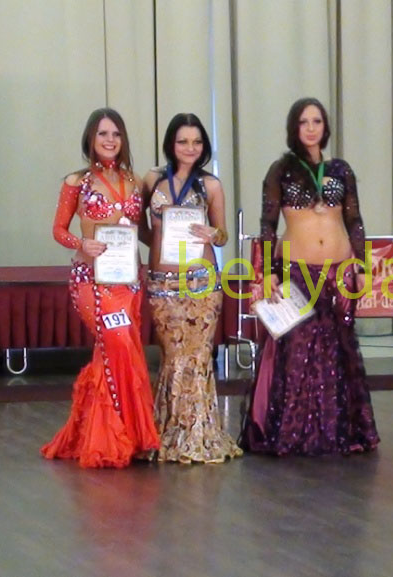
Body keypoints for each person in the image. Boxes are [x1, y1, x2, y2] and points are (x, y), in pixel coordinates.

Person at [240, 97, 379, 456]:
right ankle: (291, 431)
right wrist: (267, 273)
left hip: (338, 272)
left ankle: (336, 432)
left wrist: (362, 265)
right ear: (294, 128)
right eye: (304, 122)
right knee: (297, 350)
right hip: (296, 271)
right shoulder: (281, 171)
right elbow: (267, 225)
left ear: (325, 127)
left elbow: (355, 221)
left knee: (337, 350)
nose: (312, 128)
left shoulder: (340, 170)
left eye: (317, 121)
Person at [42, 107, 160, 467]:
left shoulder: (134, 180)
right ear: (91, 139)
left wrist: (179, 241)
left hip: (127, 281)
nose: (110, 140)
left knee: (124, 350)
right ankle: (111, 437)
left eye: (116, 134)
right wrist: (82, 244)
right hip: (91, 280)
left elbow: (142, 231)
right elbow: (58, 229)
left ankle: (123, 435)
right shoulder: (77, 182)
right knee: (117, 342)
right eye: (103, 134)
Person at [142, 113, 242, 463]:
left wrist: (214, 235)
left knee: (197, 359)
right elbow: (140, 227)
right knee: (172, 358)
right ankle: (167, 430)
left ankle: (200, 435)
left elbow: (223, 234)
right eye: (183, 141)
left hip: (201, 282)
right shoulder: (152, 179)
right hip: (162, 282)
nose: (190, 148)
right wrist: (161, 245)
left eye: (197, 142)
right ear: (171, 143)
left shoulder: (210, 185)